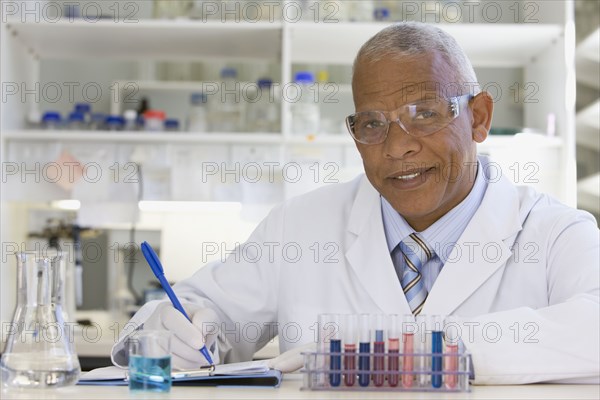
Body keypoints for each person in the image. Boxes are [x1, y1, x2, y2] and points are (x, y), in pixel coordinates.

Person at [112, 22, 599, 384]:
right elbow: (193, 313)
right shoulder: (298, 228)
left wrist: (425, 354)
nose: (397, 146)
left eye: (424, 114)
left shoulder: (554, 232)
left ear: (478, 117)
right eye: (372, 124)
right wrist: (172, 332)